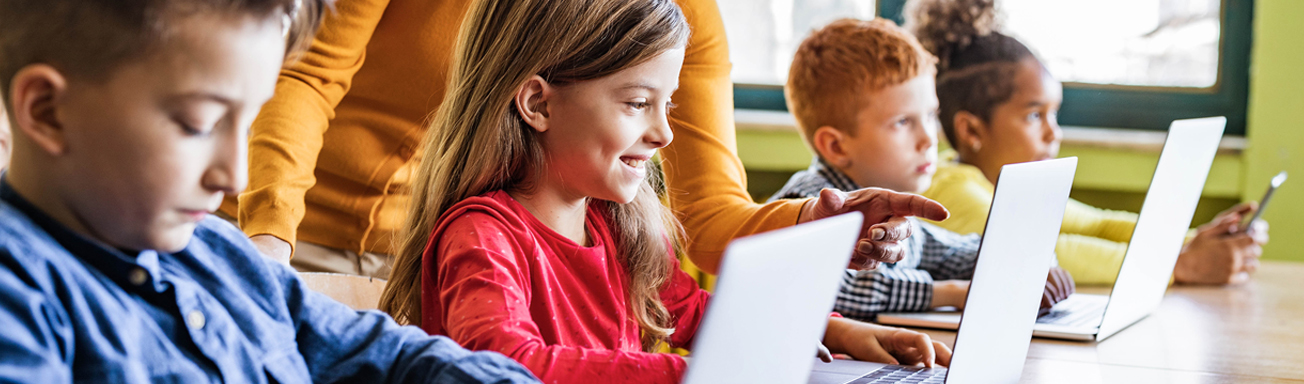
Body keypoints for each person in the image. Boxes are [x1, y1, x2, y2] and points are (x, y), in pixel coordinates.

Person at [379, 0, 953, 382]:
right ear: (538, 103)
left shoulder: (615, 225)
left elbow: (697, 312)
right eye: (636, 103)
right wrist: (702, 373)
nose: (664, 132)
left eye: (667, 103)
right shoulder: (480, 236)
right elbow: (509, 364)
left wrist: (836, 330)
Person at [0, 0, 539, 382]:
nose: (234, 178)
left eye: (251, 119)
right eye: (197, 124)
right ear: (47, 111)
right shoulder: (20, 299)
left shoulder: (218, 253)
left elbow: (388, 355)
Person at [225, 0, 949, 278]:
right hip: (299, 241)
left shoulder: (685, 18)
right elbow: (308, 77)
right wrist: (267, 247)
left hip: (449, 257)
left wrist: (816, 226)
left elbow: (710, 216)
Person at [904, 0, 1269, 285]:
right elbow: (1042, 253)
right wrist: (1180, 264)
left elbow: (1096, 226)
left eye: (1054, 114)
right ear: (971, 131)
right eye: (1034, 116)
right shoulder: (950, 193)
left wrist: (1195, 239)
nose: (1054, 133)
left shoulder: (1007, 185)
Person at [771, 18, 1073, 320]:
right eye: (903, 122)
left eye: (930, 115)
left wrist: (1030, 262)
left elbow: (951, 254)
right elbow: (838, 287)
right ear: (836, 147)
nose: (929, 138)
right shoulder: (804, 204)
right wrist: (951, 293)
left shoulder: (896, 213)